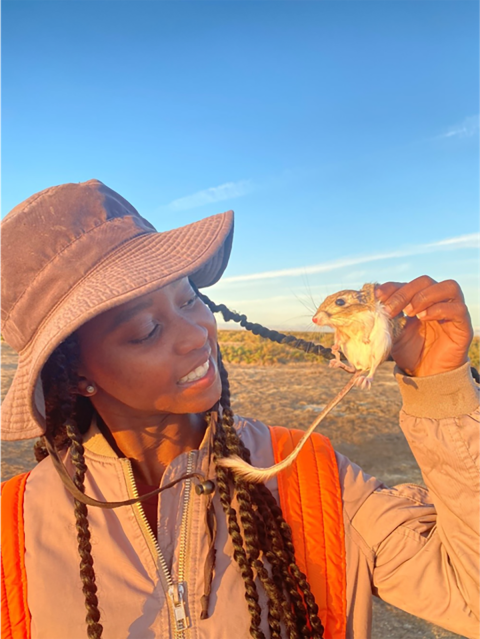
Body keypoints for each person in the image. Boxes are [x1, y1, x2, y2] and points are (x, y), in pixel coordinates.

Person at [0, 179, 478, 639]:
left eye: (189, 299)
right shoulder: (12, 532)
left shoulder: (311, 475)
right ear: (74, 371)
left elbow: (468, 597)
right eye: (146, 330)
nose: (196, 335)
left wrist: (441, 389)